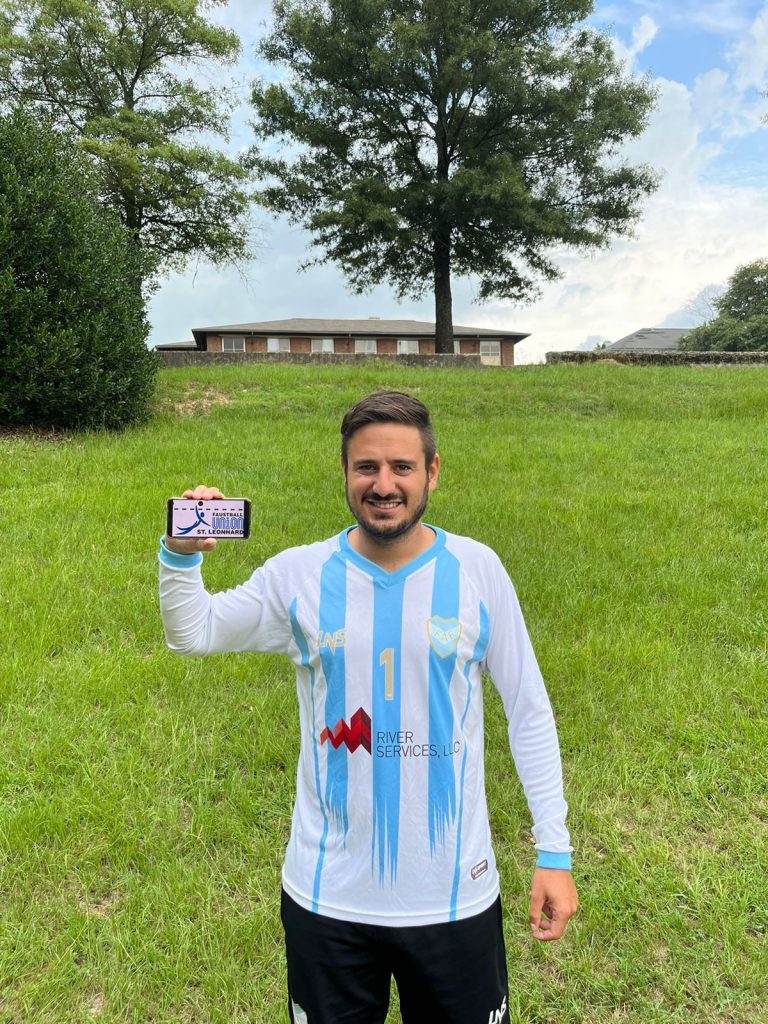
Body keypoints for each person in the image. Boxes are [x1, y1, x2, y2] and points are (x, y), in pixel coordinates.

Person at [158, 391, 578, 1024]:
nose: (384, 485)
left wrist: (554, 851)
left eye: (402, 467)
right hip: (327, 901)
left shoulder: (478, 570)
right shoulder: (297, 576)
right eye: (367, 467)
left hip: (454, 900)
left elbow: (529, 711)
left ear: (432, 472)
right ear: (345, 471)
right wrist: (180, 554)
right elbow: (194, 633)